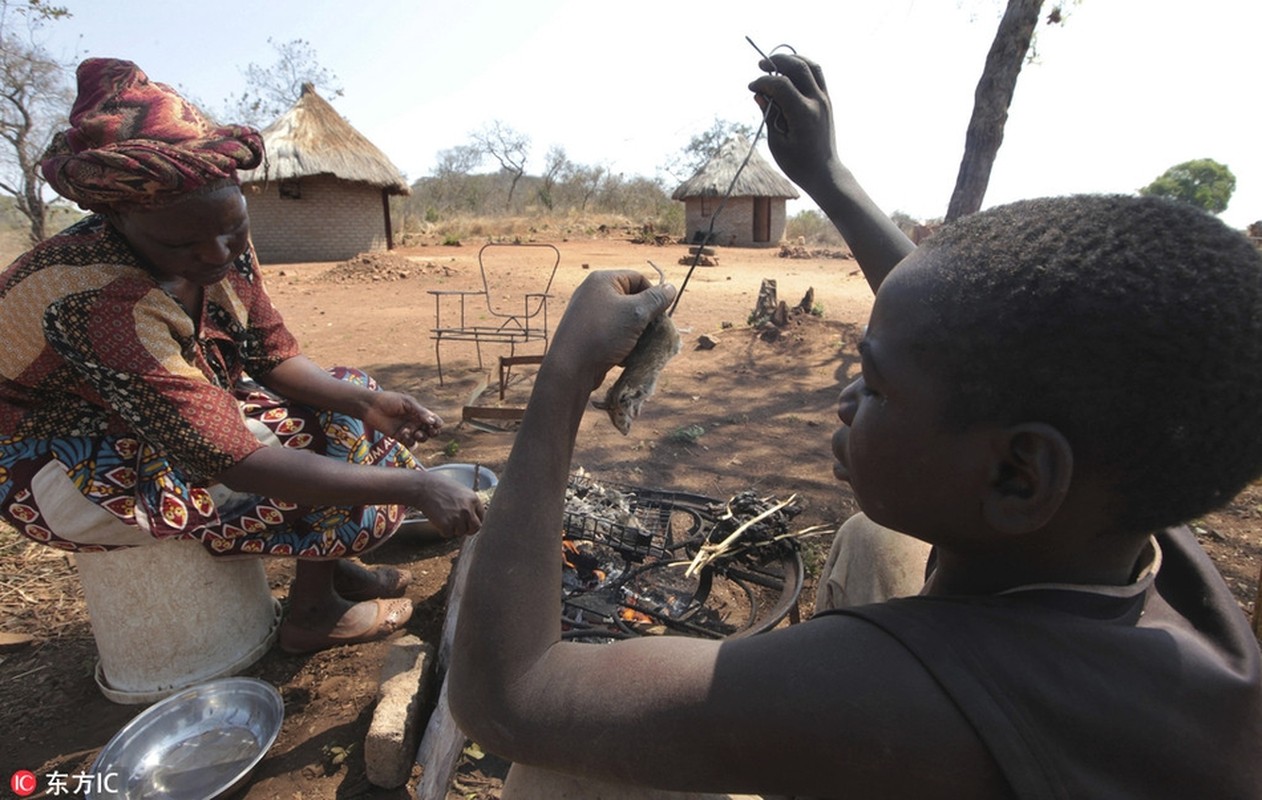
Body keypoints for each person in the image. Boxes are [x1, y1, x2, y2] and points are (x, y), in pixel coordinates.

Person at [447, 52, 1262, 798]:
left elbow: (511, 697)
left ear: (1019, 475)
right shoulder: (1135, 511)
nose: (843, 403)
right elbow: (963, 334)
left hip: (903, 733)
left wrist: (563, 381)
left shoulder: (882, 693)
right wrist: (827, 177)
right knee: (876, 541)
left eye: (871, 384)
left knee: (557, 776)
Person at [0, 58, 483, 655]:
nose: (217, 254)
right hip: (61, 464)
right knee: (327, 461)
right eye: (183, 244)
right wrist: (417, 489)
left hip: (157, 420)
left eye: (234, 230)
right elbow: (234, 460)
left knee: (347, 402)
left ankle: (329, 569)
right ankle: (313, 615)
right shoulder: (95, 297)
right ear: (117, 217)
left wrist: (368, 400)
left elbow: (272, 356)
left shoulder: (220, 242)